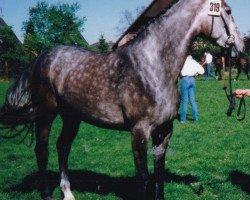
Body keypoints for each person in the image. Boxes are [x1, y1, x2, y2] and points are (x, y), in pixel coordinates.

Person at [180, 55, 205, 123]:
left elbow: (179, 71)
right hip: (192, 79)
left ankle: (183, 119)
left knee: (184, 100)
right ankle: (196, 118)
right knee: (192, 100)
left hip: (185, 79)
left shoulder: (183, 61)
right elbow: (202, 71)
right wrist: (196, 74)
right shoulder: (194, 62)